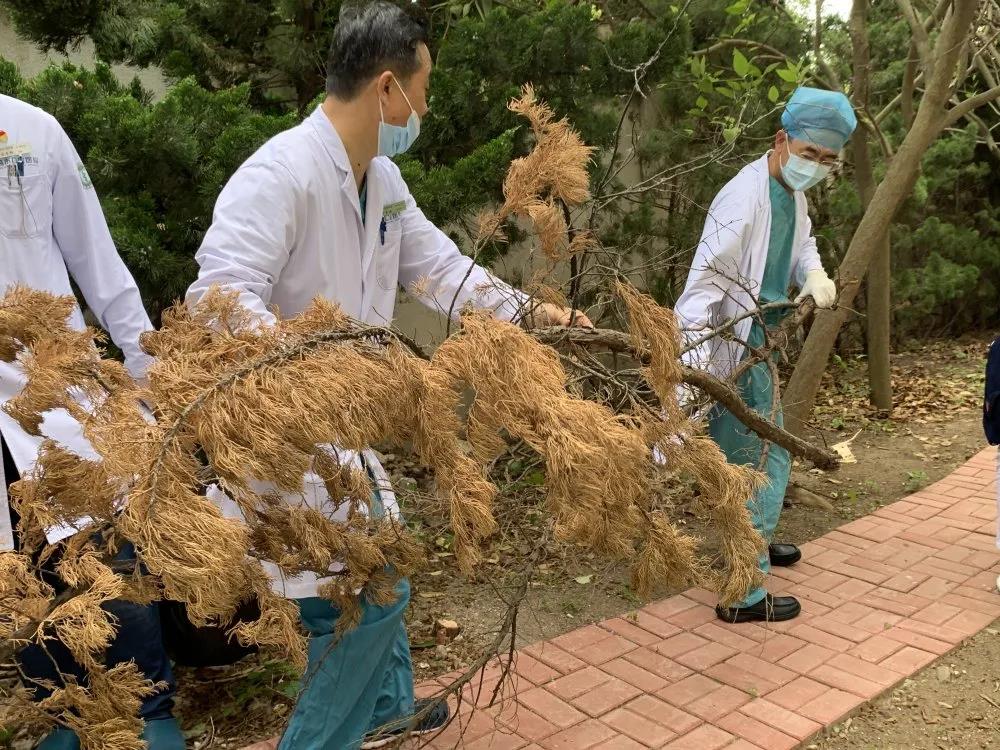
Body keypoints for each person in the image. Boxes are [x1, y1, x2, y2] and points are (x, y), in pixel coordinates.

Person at [184, 3, 591, 748]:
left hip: (348, 432)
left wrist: (535, 315)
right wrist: (319, 371)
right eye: (422, 88)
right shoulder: (280, 174)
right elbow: (218, 295)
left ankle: (386, 706)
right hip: (292, 436)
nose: (424, 108)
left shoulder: (384, 178)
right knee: (369, 596)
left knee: (381, 557)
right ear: (386, 88)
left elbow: (442, 272)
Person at [0, 95, 182, 748]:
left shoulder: (32, 132)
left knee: (114, 592)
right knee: (27, 609)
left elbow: (99, 263)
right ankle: (67, 725)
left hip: (58, 407)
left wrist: (147, 370)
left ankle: (151, 723)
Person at [673, 87, 857, 624]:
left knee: (758, 453)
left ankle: (756, 541)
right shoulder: (742, 199)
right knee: (755, 461)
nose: (815, 167)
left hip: (763, 339)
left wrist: (813, 273)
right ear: (781, 139)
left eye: (827, 160)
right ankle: (742, 591)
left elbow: (802, 243)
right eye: (809, 153)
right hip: (735, 346)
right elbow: (700, 291)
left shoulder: (790, 193)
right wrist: (691, 374)